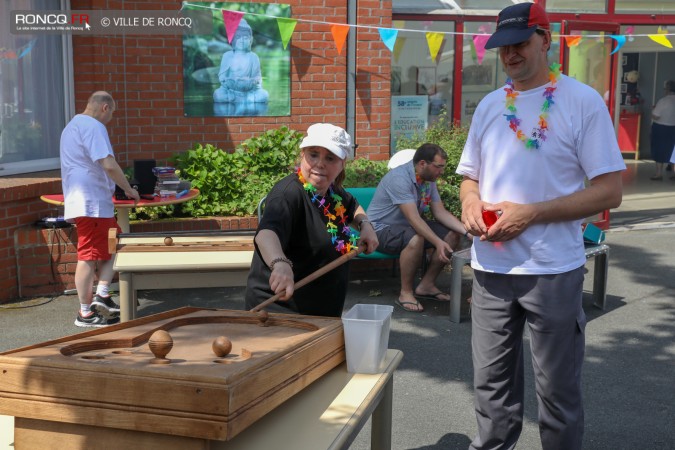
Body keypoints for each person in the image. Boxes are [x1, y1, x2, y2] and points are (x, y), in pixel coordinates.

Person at [456, 3, 626, 449]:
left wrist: (531, 212)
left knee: (558, 393)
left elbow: (610, 192)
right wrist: (471, 202)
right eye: (502, 47)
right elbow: (469, 175)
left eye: (519, 44)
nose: (509, 55)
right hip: (492, 269)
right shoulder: (492, 105)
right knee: (491, 389)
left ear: (545, 40)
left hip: (552, 270)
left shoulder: (582, 102)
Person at [245, 123, 378, 317]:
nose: (320, 164)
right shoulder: (288, 194)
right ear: (302, 156)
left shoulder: (333, 192)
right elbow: (266, 234)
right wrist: (280, 263)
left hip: (322, 308)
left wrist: (365, 225)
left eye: (330, 158)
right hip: (279, 310)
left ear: (342, 164)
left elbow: (354, 207)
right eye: (313, 154)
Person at [60, 91, 140, 327]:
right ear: (105, 107)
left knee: (116, 241)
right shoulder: (94, 127)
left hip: (88, 201)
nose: (111, 118)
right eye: (112, 112)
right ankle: (85, 313)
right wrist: (128, 188)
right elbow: (108, 163)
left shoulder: (72, 126)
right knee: (87, 256)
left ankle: (102, 293)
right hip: (91, 203)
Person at [367, 143, 468, 313]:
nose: (441, 171)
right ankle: (405, 293)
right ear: (423, 164)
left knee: (452, 234)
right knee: (415, 238)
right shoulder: (399, 178)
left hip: (406, 227)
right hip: (379, 229)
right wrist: (437, 242)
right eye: (439, 167)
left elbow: (439, 211)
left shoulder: (428, 180)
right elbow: (414, 219)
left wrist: (467, 231)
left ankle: (426, 285)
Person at [213, 18, 269, 105]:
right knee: (218, 94)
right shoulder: (227, 56)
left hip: (249, 90)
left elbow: (258, 78)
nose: (242, 40)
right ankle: (244, 100)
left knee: (264, 95)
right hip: (231, 90)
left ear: (251, 40)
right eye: (238, 37)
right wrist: (226, 80)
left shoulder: (253, 57)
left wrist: (254, 81)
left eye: (245, 37)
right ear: (232, 39)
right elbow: (221, 77)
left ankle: (246, 98)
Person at [649, 80, 675, 180]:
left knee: (659, 150)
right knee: (673, 151)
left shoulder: (663, 101)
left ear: (668, 89)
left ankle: (658, 173)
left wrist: (653, 110)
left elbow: (656, 116)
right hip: (673, 128)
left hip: (660, 128)